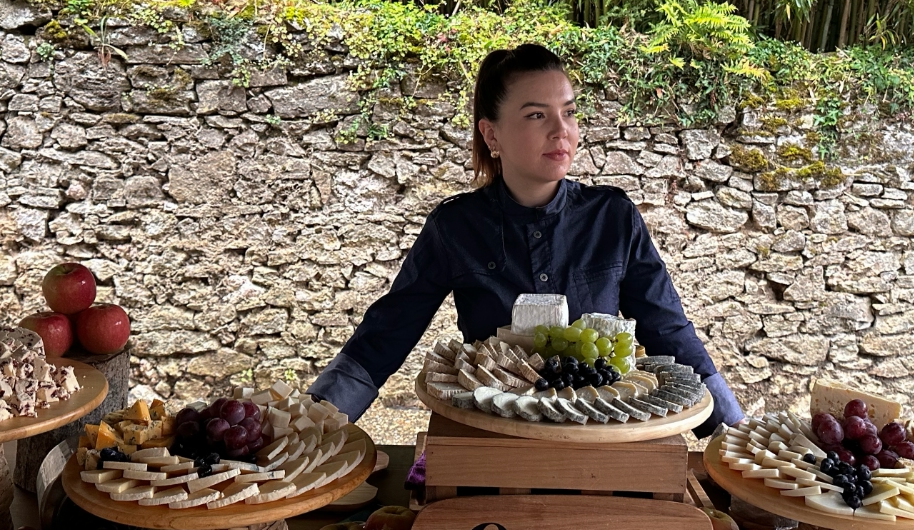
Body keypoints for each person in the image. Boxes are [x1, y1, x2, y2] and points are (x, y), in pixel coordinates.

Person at [310, 43, 742, 434]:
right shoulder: (456, 227)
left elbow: (668, 332)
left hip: (599, 440)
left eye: (569, 112)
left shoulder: (613, 218)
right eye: (537, 115)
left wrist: (733, 438)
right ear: (492, 134)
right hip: (491, 439)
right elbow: (386, 335)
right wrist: (314, 423)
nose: (562, 131)